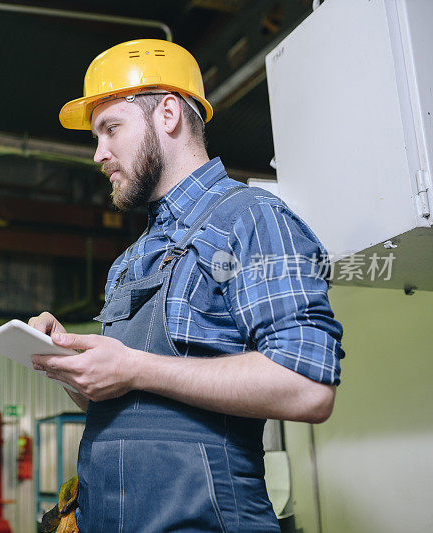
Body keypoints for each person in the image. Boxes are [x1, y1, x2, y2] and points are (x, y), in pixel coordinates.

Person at [28, 39, 344, 532]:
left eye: (111, 129)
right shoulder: (129, 262)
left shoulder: (252, 220)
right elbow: (122, 402)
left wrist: (133, 367)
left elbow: (307, 387)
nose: (98, 154)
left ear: (169, 114)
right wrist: (70, 364)